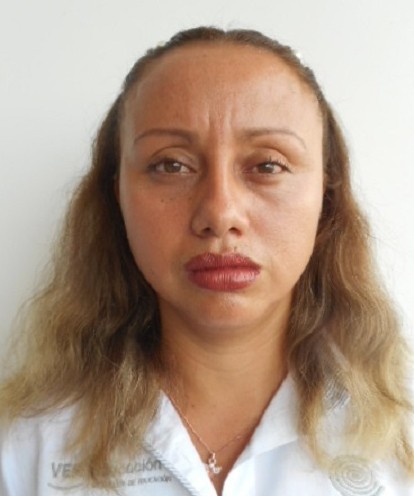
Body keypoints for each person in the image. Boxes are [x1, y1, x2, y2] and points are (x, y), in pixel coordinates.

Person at [0, 26, 412, 496]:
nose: (220, 213)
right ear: (118, 196)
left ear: (326, 194)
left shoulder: (403, 438)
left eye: (267, 165)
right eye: (171, 165)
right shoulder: (21, 448)